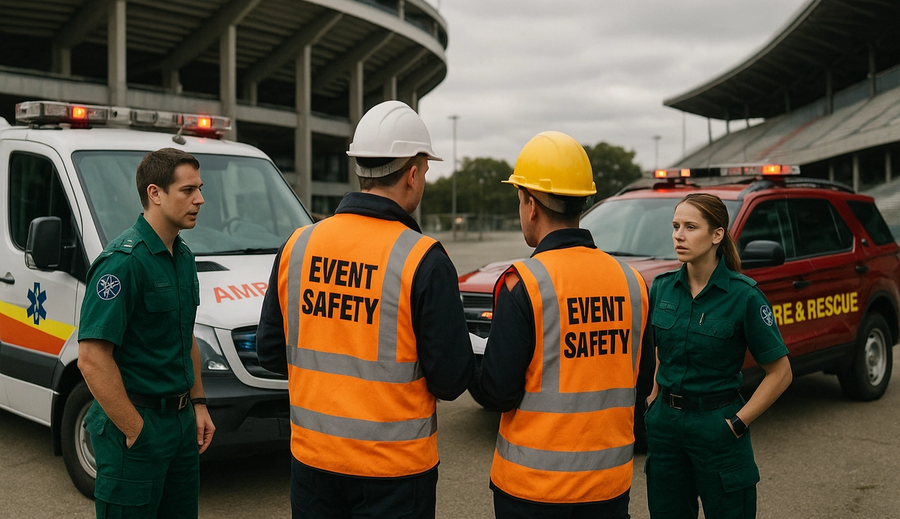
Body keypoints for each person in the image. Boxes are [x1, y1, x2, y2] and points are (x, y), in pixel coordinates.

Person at [256, 100, 476, 519]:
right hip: (395, 474)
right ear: (412, 174)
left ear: (360, 169)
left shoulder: (298, 246)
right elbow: (450, 380)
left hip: (313, 464)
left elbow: (271, 354)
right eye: (425, 171)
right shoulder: (423, 259)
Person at [477, 131, 650, 519]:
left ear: (531, 204)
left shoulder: (523, 283)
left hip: (532, 490)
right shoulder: (632, 282)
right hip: (608, 487)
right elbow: (641, 381)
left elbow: (498, 392)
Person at [77, 147, 215, 519]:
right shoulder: (123, 262)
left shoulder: (183, 257)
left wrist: (198, 404)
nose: (200, 199)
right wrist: (135, 428)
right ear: (155, 193)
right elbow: (92, 358)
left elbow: (184, 337)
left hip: (182, 424)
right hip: (136, 428)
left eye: (199, 189)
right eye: (187, 190)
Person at [644, 193, 792, 519]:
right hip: (666, 426)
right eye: (675, 226)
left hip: (717, 426)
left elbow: (780, 372)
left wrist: (739, 422)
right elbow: (661, 350)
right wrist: (654, 397)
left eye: (690, 227)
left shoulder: (744, 296)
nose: (678, 235)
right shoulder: (662, 288)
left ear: (716, 235)